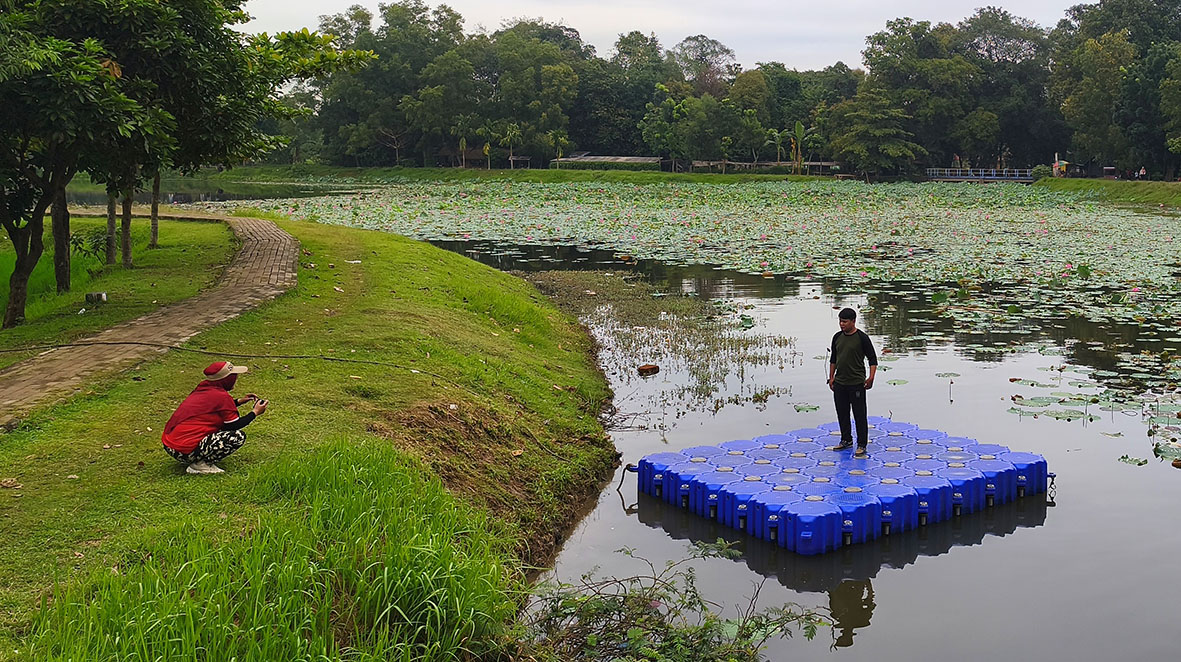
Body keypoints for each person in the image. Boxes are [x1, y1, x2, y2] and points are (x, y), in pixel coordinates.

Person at [161, 361, 268, 474]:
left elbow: (213, 407)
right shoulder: (222, 397)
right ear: (226, 379)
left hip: (171, 446)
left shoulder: (204, 388)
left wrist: (239, 401)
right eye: (233, 376)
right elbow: (233, 425)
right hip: (184, 451)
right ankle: (200, 465)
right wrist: (255, 412)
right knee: (237, 437)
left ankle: (196, 455)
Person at [827, 308, 878, 456]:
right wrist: (831, 377)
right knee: (842, 413)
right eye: (840, 321)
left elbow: (872, 359)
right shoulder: (837, 337)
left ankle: (862, 444)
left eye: (845, 322)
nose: (842, 324)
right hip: (840, 382)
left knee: (859, 414)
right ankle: (846, 440)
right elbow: (833, 359)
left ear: (853, 321)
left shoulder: (862, 338)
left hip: (856, 383)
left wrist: (871, 377)